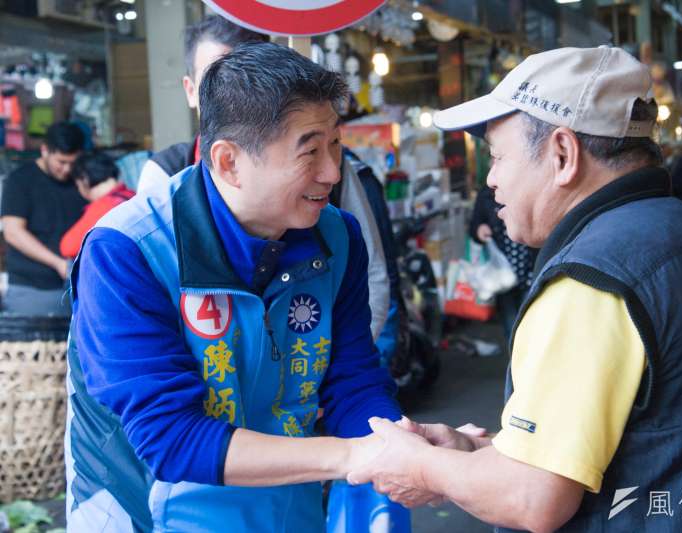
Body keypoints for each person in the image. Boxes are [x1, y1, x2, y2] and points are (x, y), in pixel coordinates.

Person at [348, 46, 682, 532]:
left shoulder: (592, 278)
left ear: (563, 154)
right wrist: (476, 454)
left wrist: (416, 464)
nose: (492, 181)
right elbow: (627, 444)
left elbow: (531, 497)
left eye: (498, 158)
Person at [65, 42, 399, 532]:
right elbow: (170, 437)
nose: (332, 171)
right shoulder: (127, 250)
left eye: (335, 144)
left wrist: (399, 444)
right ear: (228, 162)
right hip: (149, 515)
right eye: (310, 150)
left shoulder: (338, 236)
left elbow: (353, 380)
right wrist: (354, 455)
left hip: (285, 508)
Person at [137, 14, 390, 341]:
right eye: (217, 74)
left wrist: (320, 376)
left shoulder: (339, 230)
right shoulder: (135, 239)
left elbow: (371, 287)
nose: (330, 172)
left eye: (253, 71)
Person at [1, 122, 86, 315]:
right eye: (61, 162)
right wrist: (57, 263)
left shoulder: (81, 179)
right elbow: (13, 233)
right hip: (32, 289)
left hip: (76, 288)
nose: (66, 169)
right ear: (45, 150)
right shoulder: (20, 181)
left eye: (73, 163)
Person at [469, 183, 537, 339]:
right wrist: (479, 229)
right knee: (510, 319)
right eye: (494, 160)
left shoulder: (528, 187)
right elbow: (474, 224)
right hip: (502, 272)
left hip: (529, 267)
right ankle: (514, 358)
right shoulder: (486, 194)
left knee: (530, 318)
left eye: (500, 158)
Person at [59, 152, 135, 259]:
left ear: (84, 179)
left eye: (77, 185)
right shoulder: (132, 195)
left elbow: (68, 248)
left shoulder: (105, 205)